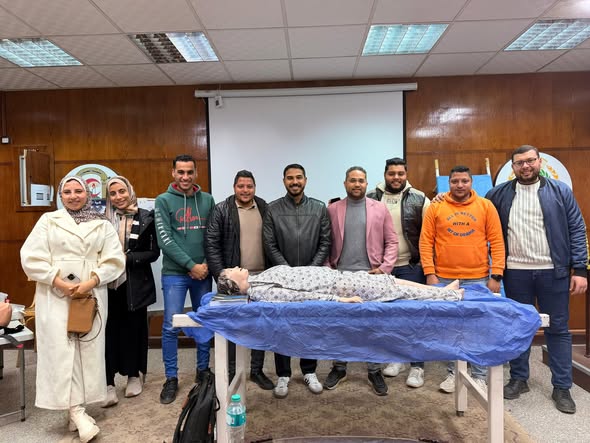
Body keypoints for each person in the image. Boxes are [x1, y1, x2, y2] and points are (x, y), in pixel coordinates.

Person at [20, 175, 125, 443]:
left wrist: (90, 282)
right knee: (61, 351)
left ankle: (75, 410)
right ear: (60, 195)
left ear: (88, 193)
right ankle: (77, 412)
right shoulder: (48, 221)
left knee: (86, 349)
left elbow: (115, 260)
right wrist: (59, 282)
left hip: (90, 294)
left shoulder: (102, 224)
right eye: (67, 191)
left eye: (78, 191)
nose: (73, 196)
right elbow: (30, 257)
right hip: (54, 294)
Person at [486, 145, 588, 414]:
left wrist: (580, 269)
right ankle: (519, 379)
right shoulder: (498, 194)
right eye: (520, 162)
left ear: (539, 162)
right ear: (513, 167)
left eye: (530, 160)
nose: (526, 166)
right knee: (518, 327)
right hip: (515, 272)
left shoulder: (560, 191)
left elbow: (577, 229)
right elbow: (477, 214)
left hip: (553, 272)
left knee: (558, 328)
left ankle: (562, 387)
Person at [420, 165, 505, 393]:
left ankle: (479, 376)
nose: (459, 185)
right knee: (450, 328)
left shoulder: (486, 206)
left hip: (478, 278)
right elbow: (426, 242)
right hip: (444, 278)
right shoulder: (436, 207)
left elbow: (497, 241)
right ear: (449, 183)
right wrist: (430, 273)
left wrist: (496, 274)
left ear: (471, 182)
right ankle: (453, 373)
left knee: (478, 328)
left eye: (464, 181)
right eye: (455, 181)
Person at [324, 166, 398, 396]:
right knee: (339, 326)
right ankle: (339, 368)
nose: (357, 184)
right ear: (345, 183)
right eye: (353, 180)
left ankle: (374, 370)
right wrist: (327, 269)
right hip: (341, 276)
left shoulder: (380, 208)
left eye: (361, 180)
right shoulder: (332, 209)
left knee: (373, 326)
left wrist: (384, 268)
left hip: (371, 276)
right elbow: (324, 242)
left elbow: (392, 241)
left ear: (367, 184)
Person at [263, 163, 331, 398]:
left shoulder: (319, 208)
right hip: (282, 278)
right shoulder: (272, 209)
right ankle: (283, 374)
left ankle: (309, 370)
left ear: (305, 180)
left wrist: (310, 271)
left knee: (310, 324)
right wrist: (287, 273)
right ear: (284, 181)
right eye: (290, 178)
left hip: (312, 279)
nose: (295, 182)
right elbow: (269, 244)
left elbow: (325, 242)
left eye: (299, 177)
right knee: (281, 326)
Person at [205, 170, 274, 391]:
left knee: (260, 325)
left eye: (249, 186)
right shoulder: (221, 210)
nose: (245, 190)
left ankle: (256, 370)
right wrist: (223, 278)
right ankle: (233, 369)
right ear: (234, 187)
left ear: (255, 188)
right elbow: (212, 245)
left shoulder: (264, 208)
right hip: (235, 280)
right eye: (241, 186)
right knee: (233, 325)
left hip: (261, 277)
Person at [155, 154, 215, 404]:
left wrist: (206, 265)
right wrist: (191, 266)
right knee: (171, 325)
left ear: (196, 173)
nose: (185, 177)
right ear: (173, 173)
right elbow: (165, 240)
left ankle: (203, 370)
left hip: (204, 272)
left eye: (190, 172)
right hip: (175, 274)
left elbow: (213, 235)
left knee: (203, 322)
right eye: (180, 172)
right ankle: (171, 378)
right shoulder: (163, 201)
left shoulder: (207, 200)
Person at [367, 157, 430, 388]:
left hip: (411, 266)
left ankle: (417, 366)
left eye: (400, 174)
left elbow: (429, 233)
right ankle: (396, 358)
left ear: (406, 175)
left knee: (414, 317)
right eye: (391, 173)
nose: (396, 178)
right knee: (388, 318)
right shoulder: (371, 198)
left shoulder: (420, 198)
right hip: (381, 269)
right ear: (385, 174)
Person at [102, 176, 159, 407]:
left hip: (135, 284)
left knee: (134, 330)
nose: (118, 197)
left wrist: (127, 258)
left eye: (122, 191)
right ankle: (107, 383)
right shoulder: (100, 220)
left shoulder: (146, 216)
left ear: (130, 191)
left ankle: (134, 375)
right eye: (113, 193)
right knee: (107, 333)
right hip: (106, 285)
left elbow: (154, 253)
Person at [216, 266, 463, 302]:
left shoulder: (257, 278)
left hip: (338, 277)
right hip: (339, 288)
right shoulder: (261, 292)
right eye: (232, 270)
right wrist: (339, 299)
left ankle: (439, 291)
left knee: (389, 280)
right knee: (395, 290)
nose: (236, 267)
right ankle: (449, 296)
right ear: (233, 283)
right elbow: (300, 297)